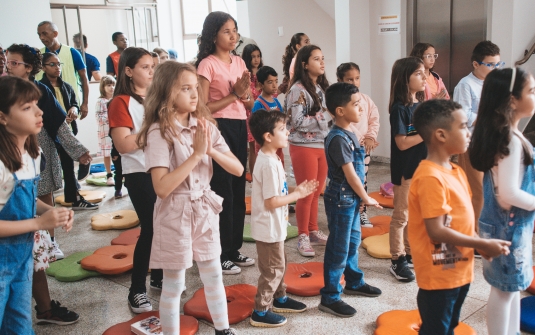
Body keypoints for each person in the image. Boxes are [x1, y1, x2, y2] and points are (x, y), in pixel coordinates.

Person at [137, 61, 242, 335]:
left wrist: (211, 151)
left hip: (204, 208)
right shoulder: (159, 132)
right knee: (175, 284)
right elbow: (161, 187)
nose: (195, 94)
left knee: (213, 274)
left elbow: (238, 168)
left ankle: (223, 329)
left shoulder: (204, 126)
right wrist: (196, 155)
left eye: (195, 87)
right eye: (185, 88)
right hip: (175, 212)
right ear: (166, 93)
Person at [409, 98, 511, 335]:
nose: (469, 132)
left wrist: (479, 244)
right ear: (441, 135)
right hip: (438, 275)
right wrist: (480, 243)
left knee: (449, 326)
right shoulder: (429, 177)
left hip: (459, 270)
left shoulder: (456, 171)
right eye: (464, 126)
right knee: (437, 329)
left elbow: (461, 220)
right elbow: (436, 230)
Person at [0, 76, 75, 333]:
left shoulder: (32, 155)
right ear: (2, 117)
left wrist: (51, 211)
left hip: (22, 261)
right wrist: (38, 223)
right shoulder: (1, 165)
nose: (39, 111)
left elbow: (25, 200)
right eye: (26, 107)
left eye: (36, 104)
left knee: (19, 325)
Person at [469, 67, 535, 335]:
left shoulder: (509, 134)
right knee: (505, 291)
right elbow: (508, 194)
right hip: (508, 228)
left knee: (509, 289)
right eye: (531, 91)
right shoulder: (510, 139)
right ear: (512, 100)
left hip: (506, 226)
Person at [196, 11, 256, 275]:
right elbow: (202, 107)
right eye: (226, 31)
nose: (233, 36)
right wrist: (234, 95)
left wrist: (243, 96)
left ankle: (233, 248)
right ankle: (219, 252)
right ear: (213, 35)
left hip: (239, 125)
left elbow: (250, 102)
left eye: (235, 30)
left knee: (238, 187)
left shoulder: (240, 62)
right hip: (217, 128)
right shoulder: (206, 64)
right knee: (222, 191)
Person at [318, 82, 382, 318]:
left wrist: (361, 197)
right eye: (356, 105)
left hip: (351, 198)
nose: (361, 109)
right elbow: (350, 173)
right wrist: (365, 195)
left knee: (353, 242)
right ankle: (330, 296)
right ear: (340, 111)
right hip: (341, 199)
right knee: (338, 247)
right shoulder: (337, 138)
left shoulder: (350, 133)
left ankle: (354, 282)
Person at [248, 109, 315, 327]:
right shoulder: (267, 163)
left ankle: (280, 298)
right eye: (282, 129)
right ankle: (260, 310)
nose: (287, 132)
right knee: (272, 270)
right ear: (268, 136)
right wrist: (296, 195)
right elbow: (271, 201)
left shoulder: (273, 158)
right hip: (267, 228)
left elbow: (279, 190)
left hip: (275, 226)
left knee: (280, 265)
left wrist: (297, 190)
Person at [108, 47, 163, 313]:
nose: (151, 71)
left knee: (166, 224)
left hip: (163, 169)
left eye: (152, 66)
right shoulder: (121, 102)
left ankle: (161, 276)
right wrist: (153, 131)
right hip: (139, 172)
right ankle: (137, 290)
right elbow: (123, 144)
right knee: (151, 228)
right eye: (145, 67)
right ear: (129, 71)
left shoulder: (157, 97)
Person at [285, 44, 331, 257]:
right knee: (305, 193)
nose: (322, 62)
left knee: (316, 192)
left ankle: (313, 230)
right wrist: (326, 118)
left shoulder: (319, 88)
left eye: (322, 58)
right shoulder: (297, 90)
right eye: (316, 59)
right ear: (304, 64)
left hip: (321, 144)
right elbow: (298, 121)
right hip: (303, 146)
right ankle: (302, 234)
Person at [453, 40, 503, 233]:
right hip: (472, 144)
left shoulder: (494, 83)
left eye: (498, 64)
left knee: (491, 191)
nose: (495, 68)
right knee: (477, 192)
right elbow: (461, 115)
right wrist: (489, 115)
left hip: (492, 142)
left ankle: (484, 229)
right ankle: (473, 234)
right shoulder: (465, 85)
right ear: (476, 64)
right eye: (490, 64)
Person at [39, 52, 98, 210]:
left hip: (66, 132)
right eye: (52, 64)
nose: (57, 67)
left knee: (68, 165)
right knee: (47, 168)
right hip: (50, 133)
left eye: (59, 64)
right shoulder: (40, 88)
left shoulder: (66, 86)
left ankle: (74, 198)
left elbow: (74, 103)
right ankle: (45, 205)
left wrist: (73, 109)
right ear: (43, 67)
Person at [388, 56, 427, 282]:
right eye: (418, 74)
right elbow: (402, 142)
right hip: (405, 171)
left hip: (421, 169)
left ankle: (411, 253)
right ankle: (397, 259)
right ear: (405, 78)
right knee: (401, 216)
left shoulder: (419, 106)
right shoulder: (399, 109)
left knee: (417, 215)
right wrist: (427, 133)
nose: (424, 77)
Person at [336, 62, 380, 227]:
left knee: (362, 181)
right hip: (346, 149)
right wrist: (355, 139)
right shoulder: (338, 103)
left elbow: (374, 120)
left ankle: (361, 213)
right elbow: (342, 125)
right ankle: (346, 214)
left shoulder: (366, 100)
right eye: (349, 79)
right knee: (345, 182)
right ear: (340, 80)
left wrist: (370, 137)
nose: (354, 82)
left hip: (363, 150)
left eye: (357, 78)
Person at [36, 21, 89, 120]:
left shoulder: (72, 53)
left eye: (44, 33)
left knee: (69, 132)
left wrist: (85, 103)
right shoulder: (38, 55)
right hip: (46, 105)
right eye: (39, 34)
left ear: (55, 34)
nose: (41, 38)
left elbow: (84, 78)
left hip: (69, 104)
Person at [252, 66, 284, 164]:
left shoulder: (276, 102)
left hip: (277, 143)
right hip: (265, 146)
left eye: (276, 81)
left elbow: (283, 121)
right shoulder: (258, 104)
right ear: (261, 85)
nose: (275, 86)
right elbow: (256, 127)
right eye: (270, 82)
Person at [242, 43, 264, 174]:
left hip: (263, 113)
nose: (256, 59)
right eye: (253, 56)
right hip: (250, 114)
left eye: (258, 56)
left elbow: (270, 94)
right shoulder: (246, 75)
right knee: (253, 146)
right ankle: (254, 175)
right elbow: (249, 95)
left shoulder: (263, 73)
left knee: (264, 145)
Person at [95, 75, 116, 186]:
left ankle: (119, 173)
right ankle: (109, 174)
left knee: (116, 153)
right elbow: (99, 117)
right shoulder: (101, 101)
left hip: (115, 130)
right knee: (107, 154)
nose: (111, 87)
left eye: (113, 85)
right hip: (105, 132)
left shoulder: (116, 99)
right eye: (108, 85)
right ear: (103, 87)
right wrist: (110, 118)